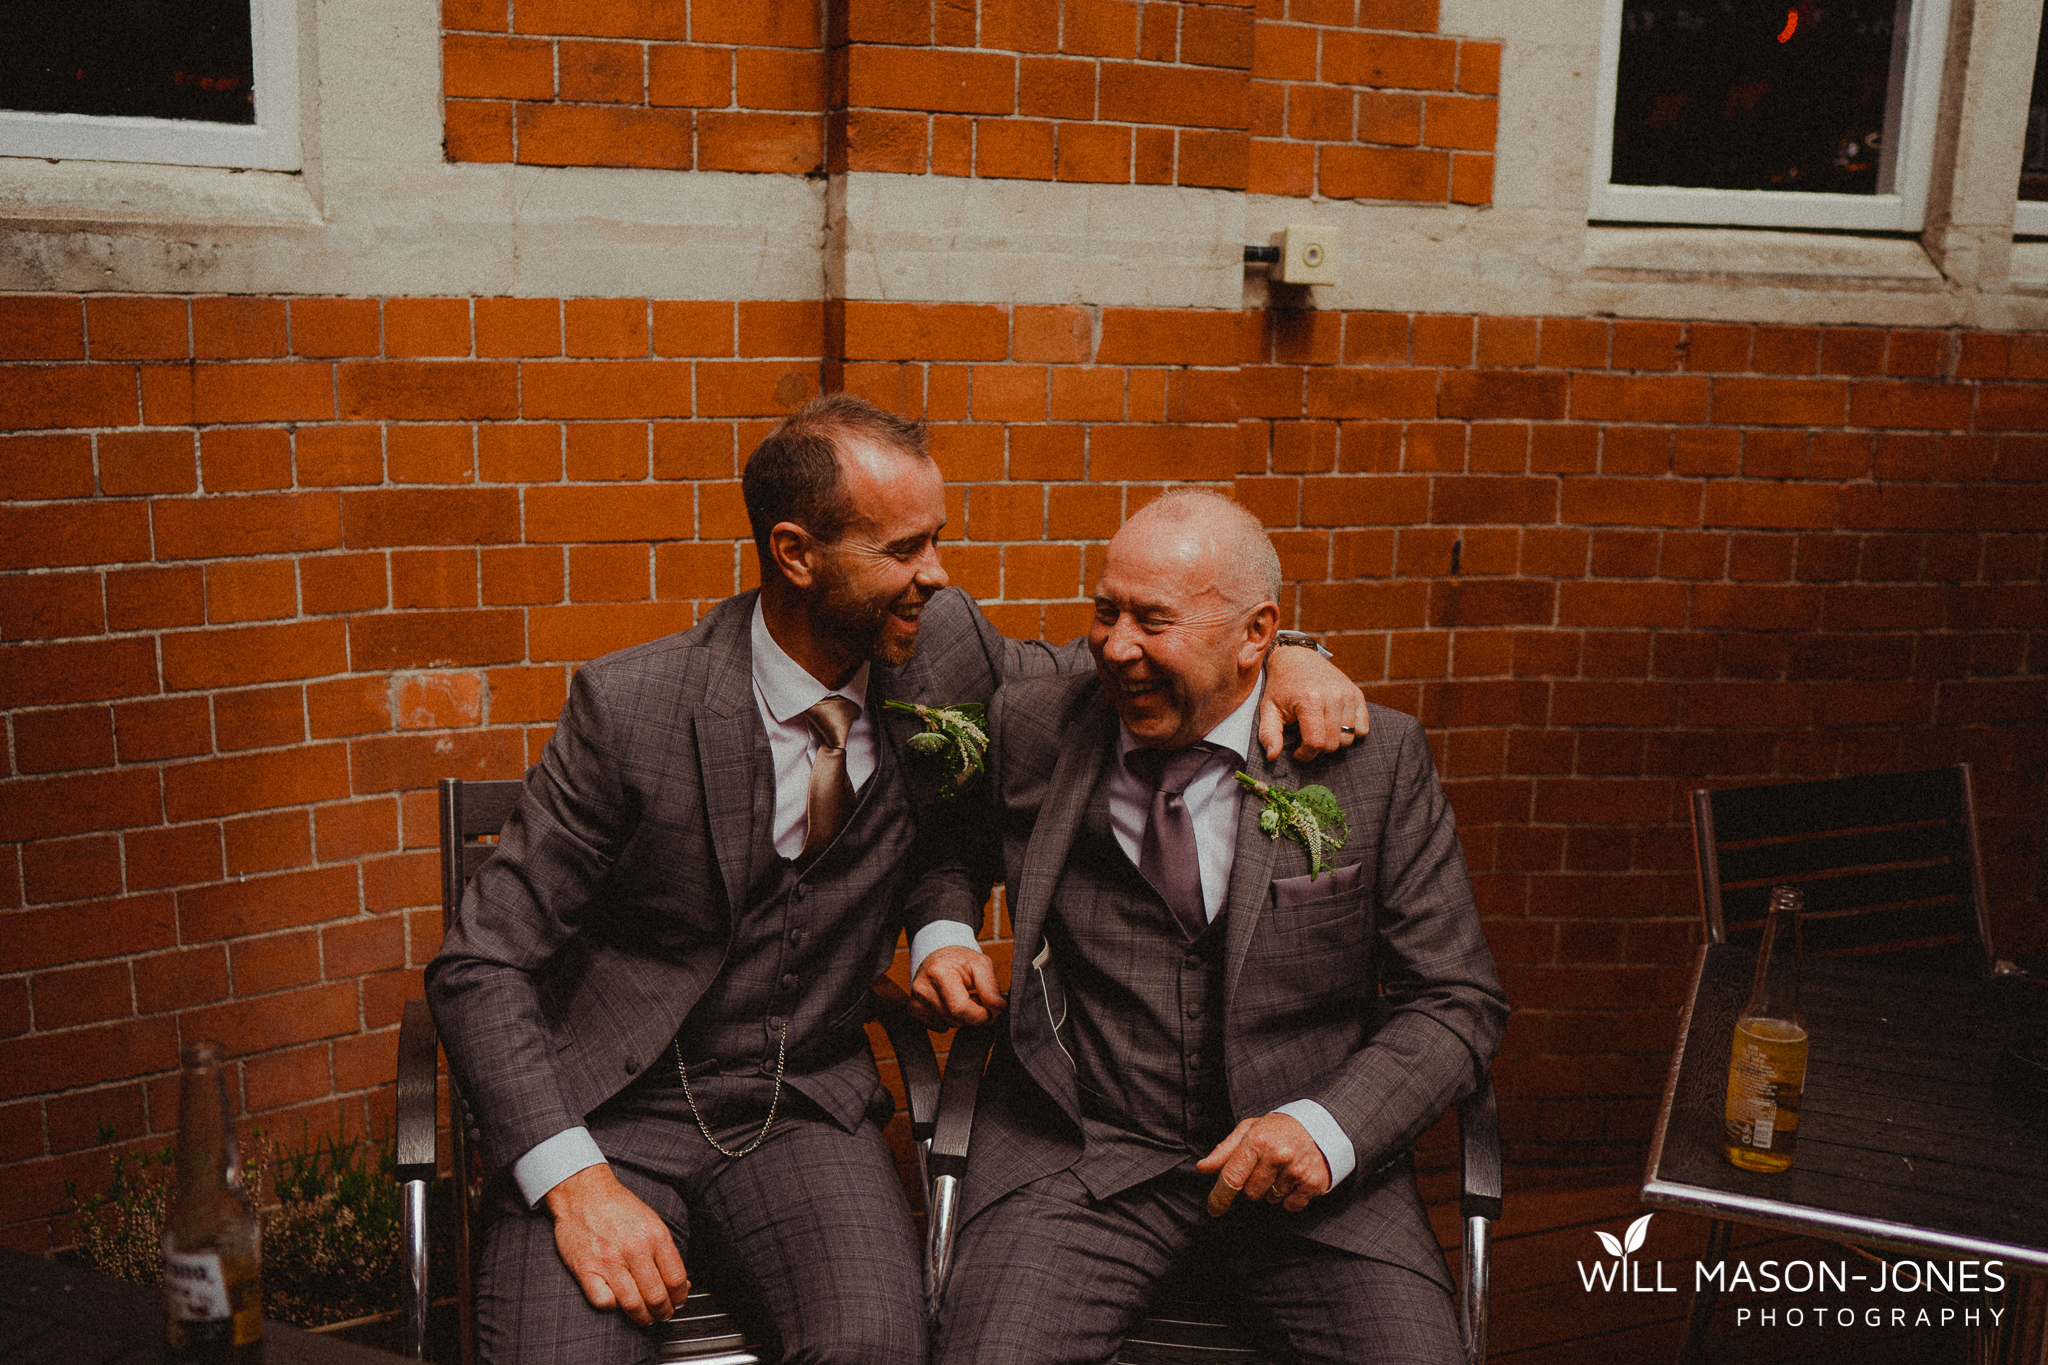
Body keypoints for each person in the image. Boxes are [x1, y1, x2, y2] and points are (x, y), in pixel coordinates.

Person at [426, 396, 1368, 1365]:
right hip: (607, 1116)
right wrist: (573, 1181)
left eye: (937, 542)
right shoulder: (634, 709)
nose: (937, 574)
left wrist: (1288, 659)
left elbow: (1120, 679)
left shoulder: (943, 647)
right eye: (903, 550)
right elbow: (479, 965)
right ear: (796, 555)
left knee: (876, 1347)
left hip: (803, 1114)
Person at [910, 489, 1509, 1365]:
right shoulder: (1036, 725)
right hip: (1084, 1160)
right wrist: (944, 930)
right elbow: (949, 851)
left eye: (1154, 621)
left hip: (1316, 1191)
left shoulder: (1373, 764)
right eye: (1105, 610)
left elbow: (1457, 998)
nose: (1116, 647)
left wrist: (1326, 1127)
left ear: (1258, 634)